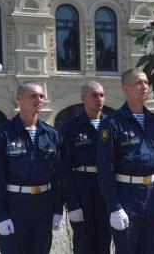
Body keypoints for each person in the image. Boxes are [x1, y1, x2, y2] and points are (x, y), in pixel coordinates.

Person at [97, 69, 154, 254]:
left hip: (153, 196)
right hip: (126, 198)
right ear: (126, 88)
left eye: (146, 82)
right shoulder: (112, 124)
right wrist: (114, 207)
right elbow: (105, 168)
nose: (144, 87)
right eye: (139, 83)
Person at [0, 81, 63, 254]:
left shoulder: (50, 134)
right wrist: (0, 215)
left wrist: (58, 209)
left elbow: (57, 176)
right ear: (19, 99)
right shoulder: (2, 134)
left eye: (41, 96)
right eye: (33, 96)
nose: (39, 100)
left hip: (44, 206)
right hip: (15, 206)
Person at [60, 81, 111, 254]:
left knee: (105, 239)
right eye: (94, 95)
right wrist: (72, 204)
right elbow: (64, 169)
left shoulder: (112, 125)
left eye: (102, 95)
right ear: (83, 98)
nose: (99, 99)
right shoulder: (71, 128)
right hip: (83, 188)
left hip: (107, 187)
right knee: (83, 242)